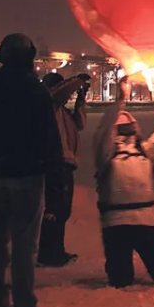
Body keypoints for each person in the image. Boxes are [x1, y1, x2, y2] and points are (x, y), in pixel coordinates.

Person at [0, 33, 62, 307]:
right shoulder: (35, 91)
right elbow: (49, 138)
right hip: (28, 175)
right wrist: (56, 182)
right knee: (24, 245)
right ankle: (24, 306)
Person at [93, 76, 154, 288]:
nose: (122, 119)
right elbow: (104, 129)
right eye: (118, 120)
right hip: (116, 223)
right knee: (120, 280)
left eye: (126, 119)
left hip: (145, 221)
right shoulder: (106, 154)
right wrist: (121, 99)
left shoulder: (144, 151)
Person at [37, 72, 90, 267]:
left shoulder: (63, 112)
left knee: (63, 210)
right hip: (56, 163)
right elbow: (60, 93)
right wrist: (77, 80)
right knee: (55, 209)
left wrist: (81, 98)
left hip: (66, 163)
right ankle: (48, 253)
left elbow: (80, 123)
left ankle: (55, 250)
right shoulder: (48, 105)